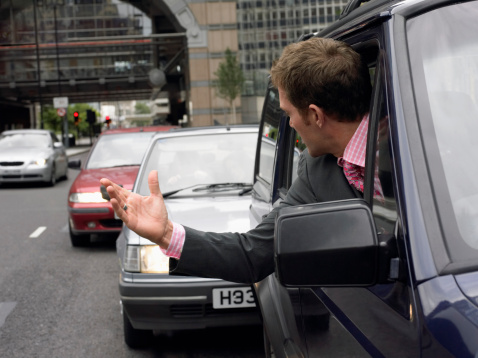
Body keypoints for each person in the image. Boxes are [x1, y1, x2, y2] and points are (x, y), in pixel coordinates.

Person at [100, 37, 373, 284]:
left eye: (289, 114)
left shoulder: (409, 146)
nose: (290, 124)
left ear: (315, 115)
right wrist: (166, 234)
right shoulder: (315, 171)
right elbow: (253, 254)